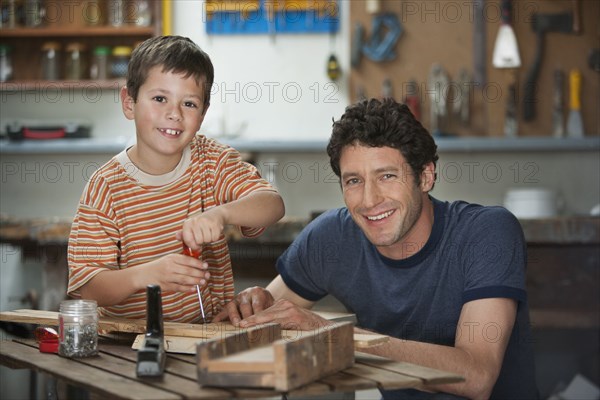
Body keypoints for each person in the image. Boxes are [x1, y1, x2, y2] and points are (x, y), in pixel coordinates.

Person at [214, 98, 539, 399]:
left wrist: (332, 335)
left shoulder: (485, 232)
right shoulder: (331, 237)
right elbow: (271, 315)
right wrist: (254, 305)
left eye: (386, 176)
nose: (369, 200)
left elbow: (477, 376)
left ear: (425, 176)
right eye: (354, 181)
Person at [67, 36, 285, 324]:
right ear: (129, 103)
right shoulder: (106, 186)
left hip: (207, 335)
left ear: (203, 113)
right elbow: (87, 287)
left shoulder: (211, 160)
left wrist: (220, 214)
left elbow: (273, 204)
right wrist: (147, 275)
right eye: (159, 99)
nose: (174, 114)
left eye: (189, 104)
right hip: (128, 346)